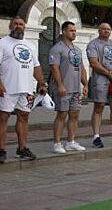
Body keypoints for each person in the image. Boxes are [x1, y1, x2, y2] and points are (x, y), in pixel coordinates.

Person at [0, 17, 48, 162]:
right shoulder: (2, 43)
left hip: (26, 89)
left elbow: (36, 67)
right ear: (10, 26)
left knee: (24, 117)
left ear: (24, 27)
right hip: (7, 88)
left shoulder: (30, 45)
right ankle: (1, 150)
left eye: (21, 24)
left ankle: (22, 148)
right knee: (3, 118)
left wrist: (41, 83)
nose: (18, 26)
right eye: (15, 24)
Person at [50, 21, 88, 154]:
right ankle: (57, 143)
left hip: (76, 89)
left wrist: (85, 84)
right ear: (64, 32)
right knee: (62, 115)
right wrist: (60, 85)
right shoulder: (57, 48)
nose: (74, 33)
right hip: (63, 89)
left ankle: (71, 142)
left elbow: (82, 68)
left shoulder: (77, 49)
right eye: (71, 31)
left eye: (75, 31)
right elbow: (54, 68)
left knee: (75, 115)